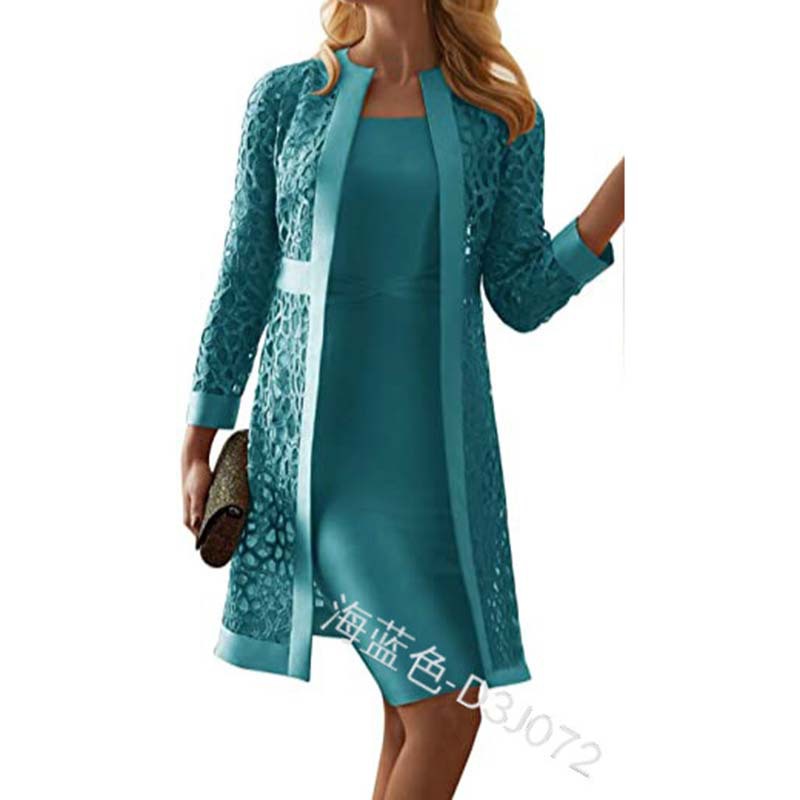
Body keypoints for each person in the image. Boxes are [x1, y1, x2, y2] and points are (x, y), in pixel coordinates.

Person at [181, 1, 624, 797]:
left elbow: (520, 295)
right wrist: (199, 436)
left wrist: (616, 203)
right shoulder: (286, 100)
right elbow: (245, 272)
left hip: (439, 475)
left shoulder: (499, 118)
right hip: (321, 463)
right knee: (447, 712)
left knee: (412, 710)